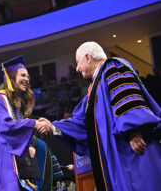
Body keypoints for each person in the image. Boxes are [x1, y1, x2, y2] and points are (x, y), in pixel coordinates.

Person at [42, 41, 161, 190]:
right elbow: (83, 123)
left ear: (88, 57)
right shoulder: (94, 89)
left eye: (78, 62)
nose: (77, 68)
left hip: (132, 149)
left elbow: (128, 98)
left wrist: (135, 132)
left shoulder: (112, 67)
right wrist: (53, 126)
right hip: (116, 157)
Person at [0, 55, 53, 191]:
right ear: (10, 78)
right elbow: (5, 127)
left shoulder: (14, 107)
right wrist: (33, 124)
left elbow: (15, 135)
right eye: (23, 75)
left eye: (28, 77)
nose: (27, 79)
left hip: (5, 163)